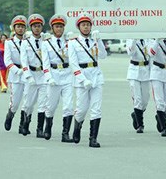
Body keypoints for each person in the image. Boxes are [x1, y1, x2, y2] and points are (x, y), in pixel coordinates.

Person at [68, 13, 107, 148]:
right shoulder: (73, 43)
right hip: (82, 77)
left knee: (96, 108)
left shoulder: (94, 40)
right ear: (79, 27)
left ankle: (93, 138)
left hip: (96, 75)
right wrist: (82, 79)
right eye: (83, 25)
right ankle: (77, 125)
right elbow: (73, 64)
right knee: (81, 109)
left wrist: (100, 40)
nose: (86, 27)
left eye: (88, 25)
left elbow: (103, 55)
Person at [40, 14, 74, 142]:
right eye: (56, 27)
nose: (59, 29)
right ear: (52, 28)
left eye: (61, 26)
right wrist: (49, 77)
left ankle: (65, 134)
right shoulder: (47, 43)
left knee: (69, 106)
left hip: (67, 75)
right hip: (53, 75)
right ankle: (47, 127)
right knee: (51, 106)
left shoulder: (70, 41)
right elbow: (45, 62)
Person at [19, 14, 49, 138]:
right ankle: (24, 125)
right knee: (28, 103)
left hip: (43, 74)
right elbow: (23, 61)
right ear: (31, 27)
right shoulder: (25, 42)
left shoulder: (47, 40)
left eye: (39, 26)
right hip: (31, 74)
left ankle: (39, 129)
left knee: (43, 103)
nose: (37, 28)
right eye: (34, 26)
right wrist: (27, 75)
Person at [3, 15, 27, 133]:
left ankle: (23, 125)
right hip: (16, 74)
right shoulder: (9, 43)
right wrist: (17, 70)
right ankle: (10, 114)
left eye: (22, 27)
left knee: (28, 101)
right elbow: (7, 60)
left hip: (28, 74)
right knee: (16, 102)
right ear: (14, 28)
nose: (20, 29)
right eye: (18, 26)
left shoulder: (29, 41)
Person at [148, 36, 166, 137]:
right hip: (157, 73)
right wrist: (157, 40)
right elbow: (151, 53)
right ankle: (164, 128)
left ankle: (159, 117)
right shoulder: (152, 40)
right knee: (160, 102)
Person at [126, 36, 151, 134]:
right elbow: (130, 52)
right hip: (134, 71)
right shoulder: (130, 39)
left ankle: (136, 114)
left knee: (145, 100)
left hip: (145, 70)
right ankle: (140, 125)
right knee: (138, 100)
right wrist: (133, 39)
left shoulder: (148, 39)